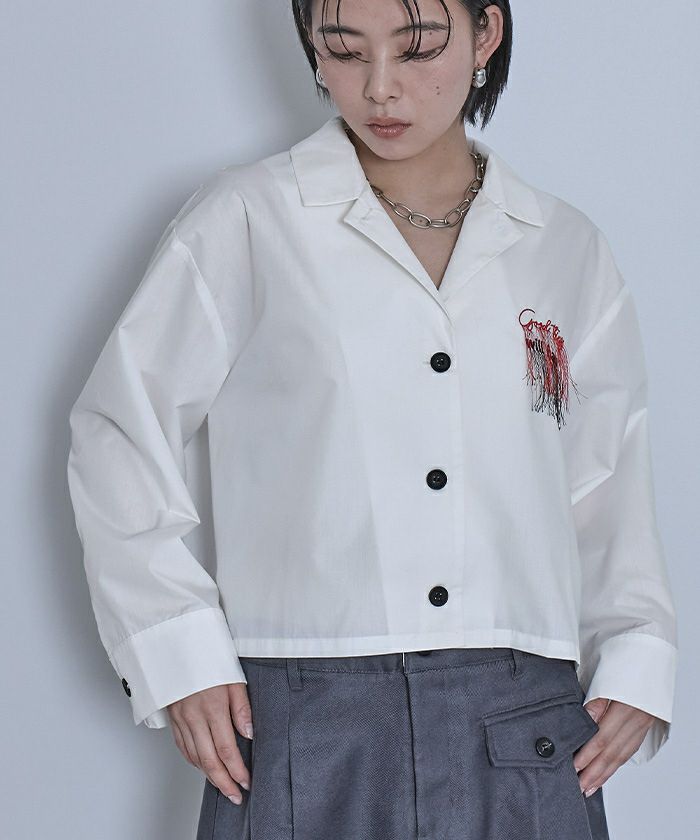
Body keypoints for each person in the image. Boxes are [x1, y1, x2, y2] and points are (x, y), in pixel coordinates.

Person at [66, 1, 679, 838]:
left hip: (525, 719)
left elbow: (606, 474)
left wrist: (638, 651)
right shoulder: (249, 219)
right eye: (344, 51)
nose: (380, 88)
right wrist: (175, 646)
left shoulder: (564, 247)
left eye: (416, 47)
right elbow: (119, 430)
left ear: (486, 34)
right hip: (305, 715)